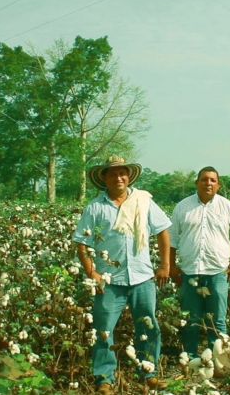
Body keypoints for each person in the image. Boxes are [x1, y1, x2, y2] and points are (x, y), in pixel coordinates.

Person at [72, 155, 171, 395]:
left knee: (148, 326)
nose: (119, 177)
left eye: (122, 173)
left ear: (129, 176)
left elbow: (162, 231)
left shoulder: (143, 201)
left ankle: (148, 373)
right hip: (109, 281)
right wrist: (91, 271)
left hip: (142, 277)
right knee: (104, 330)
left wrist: (165, 265)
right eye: (113, 174)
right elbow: (83, 242)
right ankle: (104, 378)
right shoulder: (95, 207)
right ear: (104, 178)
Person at [169, 166, 230, 358]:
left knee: (218, 321)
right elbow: (172, 238)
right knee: (191, 319)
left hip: (217, 272)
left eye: (213, 180)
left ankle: (219, 361)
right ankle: (189, 357)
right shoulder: (182, 207)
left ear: (218, 184)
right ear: (196, 182)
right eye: (204, 179)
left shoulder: (228, 207)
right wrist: (171, 265)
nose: (208, 183)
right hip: (190, 272)